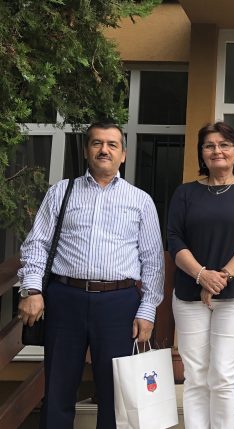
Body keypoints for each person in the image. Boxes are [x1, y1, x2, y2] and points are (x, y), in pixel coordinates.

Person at [17, 121, 164, 429]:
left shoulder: (140, 200)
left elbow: (152, 261)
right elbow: (37, 244)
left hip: (119, 303)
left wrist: (147, 309)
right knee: (58, 387)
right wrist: (32, 290)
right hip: (65, 298)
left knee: (115, 393)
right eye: (97, 143)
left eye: (112, 144)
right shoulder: (61, 192)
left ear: (123, 154)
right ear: (86, 151)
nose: (104, 150)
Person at [167, 121, 234, 428]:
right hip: (189, 294)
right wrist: (201, 276)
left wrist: (220, 276)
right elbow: (174, 239)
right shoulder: (185, 193)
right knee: (196, 376)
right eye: (209, 146)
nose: (217, 151)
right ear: (202, 154)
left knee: (223, 374)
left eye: (224, 145)